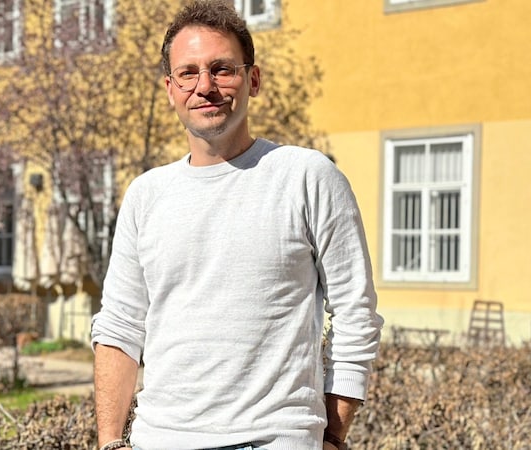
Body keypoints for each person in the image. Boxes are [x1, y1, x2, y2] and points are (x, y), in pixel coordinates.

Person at [91, 1, 384, 449]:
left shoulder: (306, 176)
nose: (204, 86)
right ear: (170, 89)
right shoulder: (146, 195)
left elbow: (355, 313)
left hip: (273, 440)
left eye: (222, 69)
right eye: (188, 73)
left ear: (253, 79)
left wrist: (332, 434)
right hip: (160, 439)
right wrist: (110, 443)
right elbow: (119, 329)